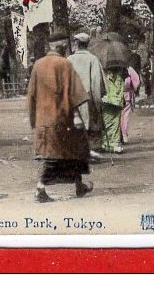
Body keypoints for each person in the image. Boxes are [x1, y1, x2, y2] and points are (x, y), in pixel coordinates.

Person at [28, 34, 93, 203]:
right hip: (63, 118)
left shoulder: (38, 65)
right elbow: (76, 93)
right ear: (62, 46)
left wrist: (33, 119)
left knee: (72, 152)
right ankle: (40, 189)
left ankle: (79, 185)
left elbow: (31, 95)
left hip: (44, 118)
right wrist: (80, 115)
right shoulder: (65, 64)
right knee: (57, 156)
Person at [67, 33, 105, 160]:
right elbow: (96, 83)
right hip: (86, 97)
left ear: (76, 43)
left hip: (71, 97)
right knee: (87, 126)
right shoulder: (93, 59)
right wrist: (98, 101)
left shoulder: (69, 59)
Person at [100, 63, 126, 154]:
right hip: (115, 103)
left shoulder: (105, 76)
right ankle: (113, 144)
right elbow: (121, 90)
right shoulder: (120, 77)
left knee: (107, 124)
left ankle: (106, 143)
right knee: (114, 125)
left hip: (108, 102)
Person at [121, 66, 141, 144]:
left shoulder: (109, 70)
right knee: (125, 116)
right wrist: (134, 89)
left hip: (113, 96)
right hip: (127, 95)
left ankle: (116, 136)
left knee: (117, 116)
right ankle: (124, 135)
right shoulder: (129, 69)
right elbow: (136, 81)